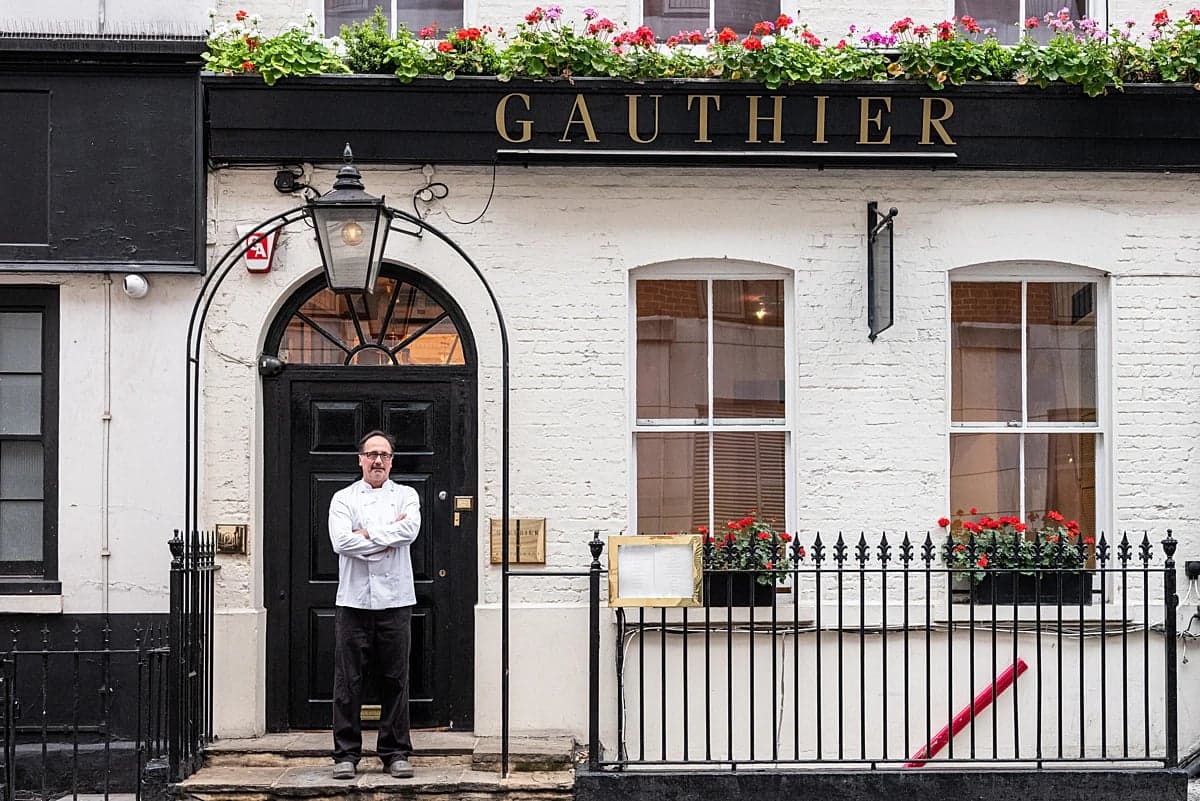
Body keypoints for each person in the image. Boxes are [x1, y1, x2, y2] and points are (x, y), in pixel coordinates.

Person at [327, 430, 421, 780]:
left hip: (396, 601)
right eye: (371, 454)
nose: (377, 460)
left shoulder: (407, 496)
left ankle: (395, 752)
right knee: (347, 680)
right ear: (360, 459)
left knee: (395, 678)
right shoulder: (343, 498)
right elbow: (340, 541)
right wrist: (384, 538)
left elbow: (410, 531)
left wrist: (365, 534)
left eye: (384, 454)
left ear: (392, 460)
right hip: (352, 601)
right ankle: (346, 754)